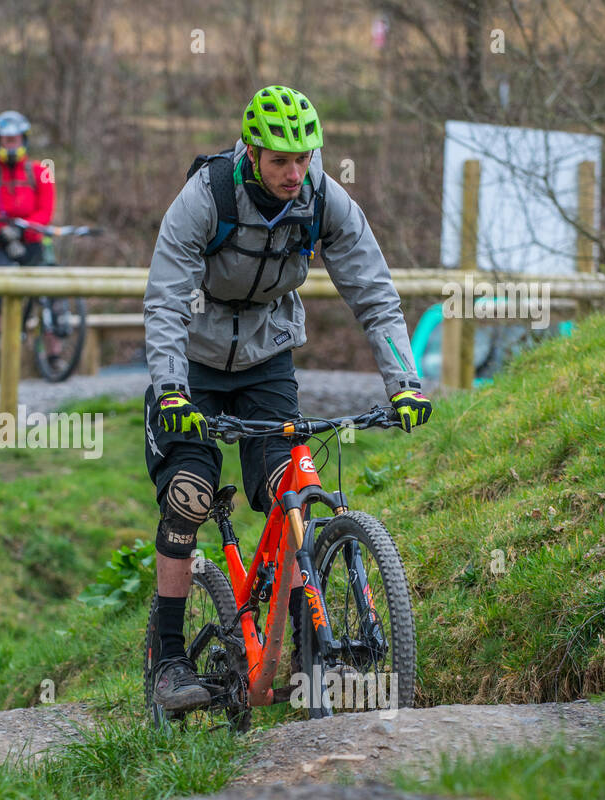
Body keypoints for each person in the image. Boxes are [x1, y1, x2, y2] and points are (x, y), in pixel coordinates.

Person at [142, 85, 433, 712]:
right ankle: (166, 659)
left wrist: (403, 381)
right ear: (251, 151)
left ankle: (307, 641)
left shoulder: (323, 197)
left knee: (293, 482)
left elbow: (374, 291)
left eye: (304, 158)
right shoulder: (207, 196)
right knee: (190, 495)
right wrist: (169, 388)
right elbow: (166, 298)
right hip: (192, 364)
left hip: (266, 361)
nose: (293, 173)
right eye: (280, 160)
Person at [0, 110, 55, 321]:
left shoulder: (41, 171)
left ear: (23, 140)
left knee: (49, 293)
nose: (11, 145)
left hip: (31, 240)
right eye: (7, 141)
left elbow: (46, 210)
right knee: (0, 288)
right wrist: (0, 232)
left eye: (14, 140)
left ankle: (53, 350)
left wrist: (25, 228)